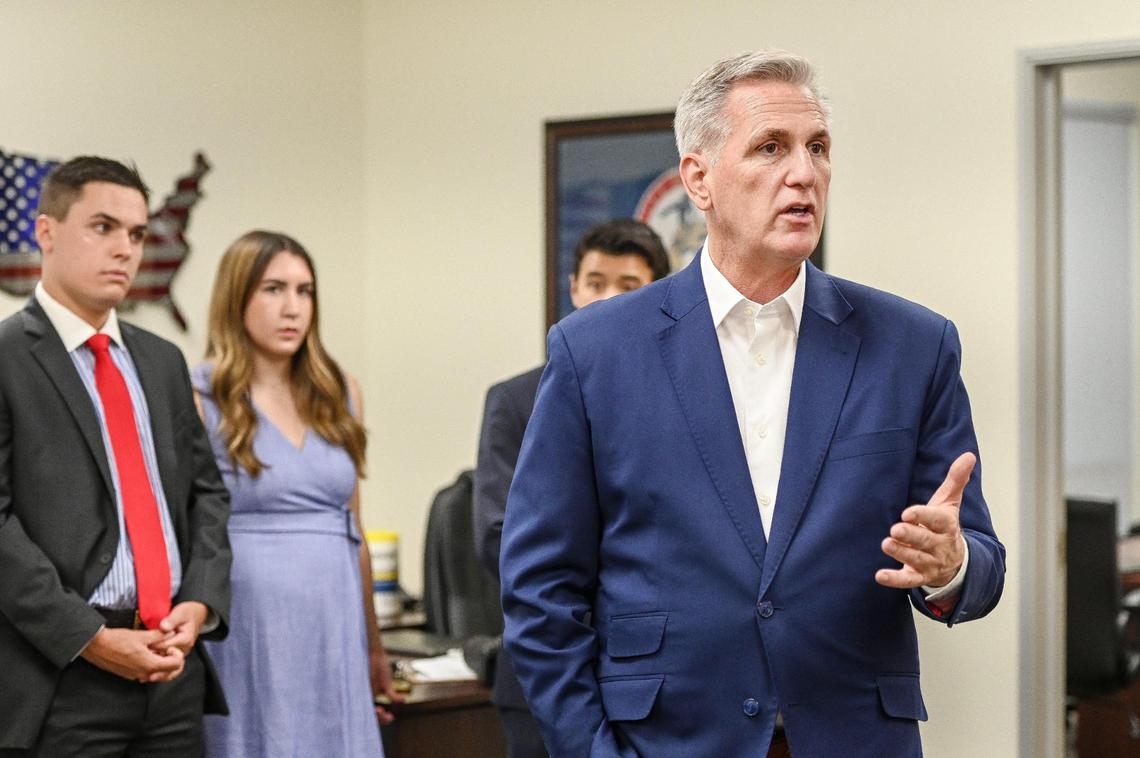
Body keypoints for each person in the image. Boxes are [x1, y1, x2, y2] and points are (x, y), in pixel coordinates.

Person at [499, 51, 1006, 758]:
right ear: (698, 179)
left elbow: (978, 568)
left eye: (818, 149)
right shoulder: (596, 353)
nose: (804, 173)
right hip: (665, 739)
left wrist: (951, 565)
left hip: (851, 737)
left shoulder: (914, 345)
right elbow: (541, 591)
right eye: (771, 148)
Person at [0, 156, 232, 756]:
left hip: (174, 672)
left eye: (136, 234)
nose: (126, 249)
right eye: (103, 228)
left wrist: (200, 600)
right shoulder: (6, 360)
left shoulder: (162, 361)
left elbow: (205, 494)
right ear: (46, 233)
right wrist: (90, 637)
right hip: (63, 678)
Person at [193, 230, 400, 757]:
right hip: (249, 623)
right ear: (236, 296)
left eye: (305, 291)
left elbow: (355, 531)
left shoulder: (338, 389)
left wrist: (374, 646)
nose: (293, 308)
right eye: (273, 289)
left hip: (335, 621)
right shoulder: (202, 394)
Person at [474, 218, 670, 758]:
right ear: (573, 288)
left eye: (628, 287)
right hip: (544, 669)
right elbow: (498, 536)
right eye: (595, 282)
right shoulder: (515, 399)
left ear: (658, 291)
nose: (606, 299)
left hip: (663, 676)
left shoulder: (678, 398)